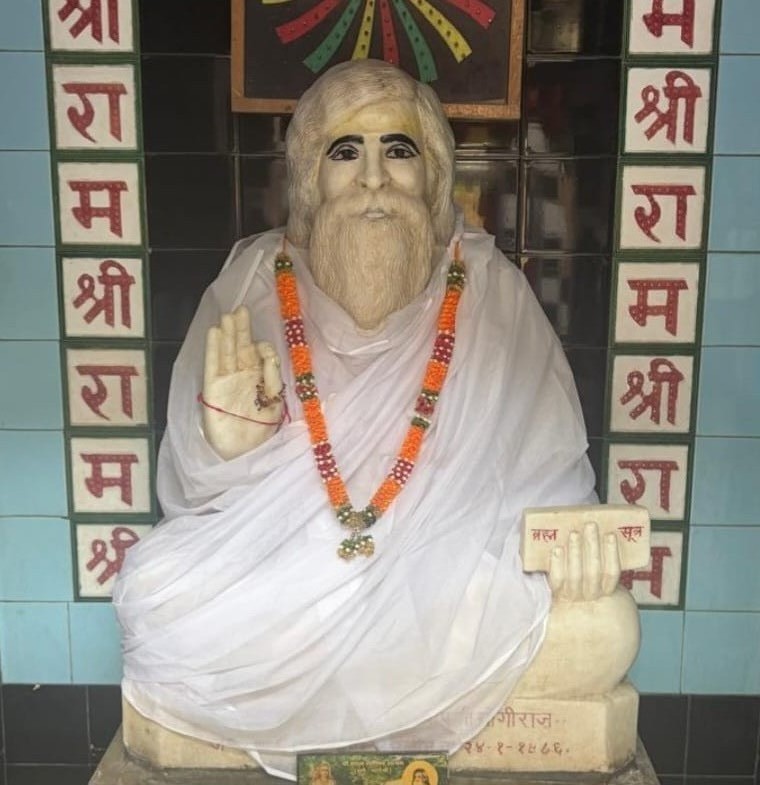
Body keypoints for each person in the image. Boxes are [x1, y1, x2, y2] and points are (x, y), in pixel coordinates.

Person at [113, 60, 612, 780]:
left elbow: (550, 476)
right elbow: (195, 494)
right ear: (309, 178)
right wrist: (229, 449)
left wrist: (573, 547)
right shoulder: (255, 280)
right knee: (157, 593)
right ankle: (384, 679)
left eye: (397, 150)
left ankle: (357, 676)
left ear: (433, 175)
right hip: (285, 565)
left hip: (445, 566)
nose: (374, 178)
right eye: (345, 151)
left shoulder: (489, 288)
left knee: (602, 626)